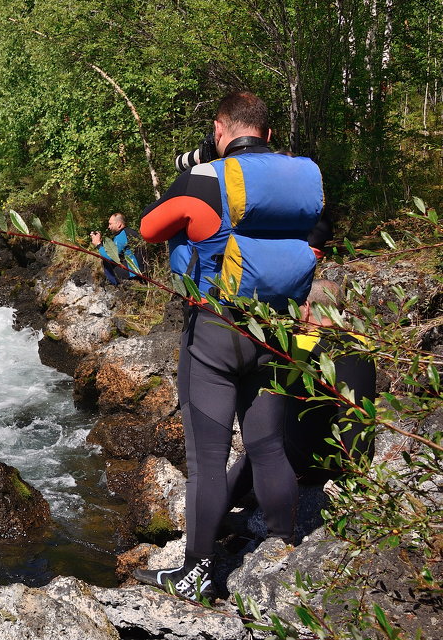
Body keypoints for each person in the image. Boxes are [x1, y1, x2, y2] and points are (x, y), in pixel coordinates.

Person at [131, 91, 325, 601]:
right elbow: (315, 245)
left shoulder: (202, 178)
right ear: (267, 132)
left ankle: (196, 574)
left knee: (208, 458)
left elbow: (150, 229)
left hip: (216, 332)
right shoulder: (302, 182)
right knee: (267, 445)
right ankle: (284, 553)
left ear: (221, 128)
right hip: (277, 330)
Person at [226, 279, 377, 502]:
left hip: (303, 463)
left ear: (305, 308)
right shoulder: (364, 345)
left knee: (259, 450)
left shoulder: (297, 345)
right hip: (348, 463)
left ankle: (214, 510)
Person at [90, 212, 142, 285]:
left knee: (106, 262)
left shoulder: (121, 235)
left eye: (110, 224)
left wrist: (98, 244)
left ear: (119, 224)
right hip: (141, 269)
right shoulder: (130, 232)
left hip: (133, 273)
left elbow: (110, 257)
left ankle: (115, 285)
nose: (108, 227)